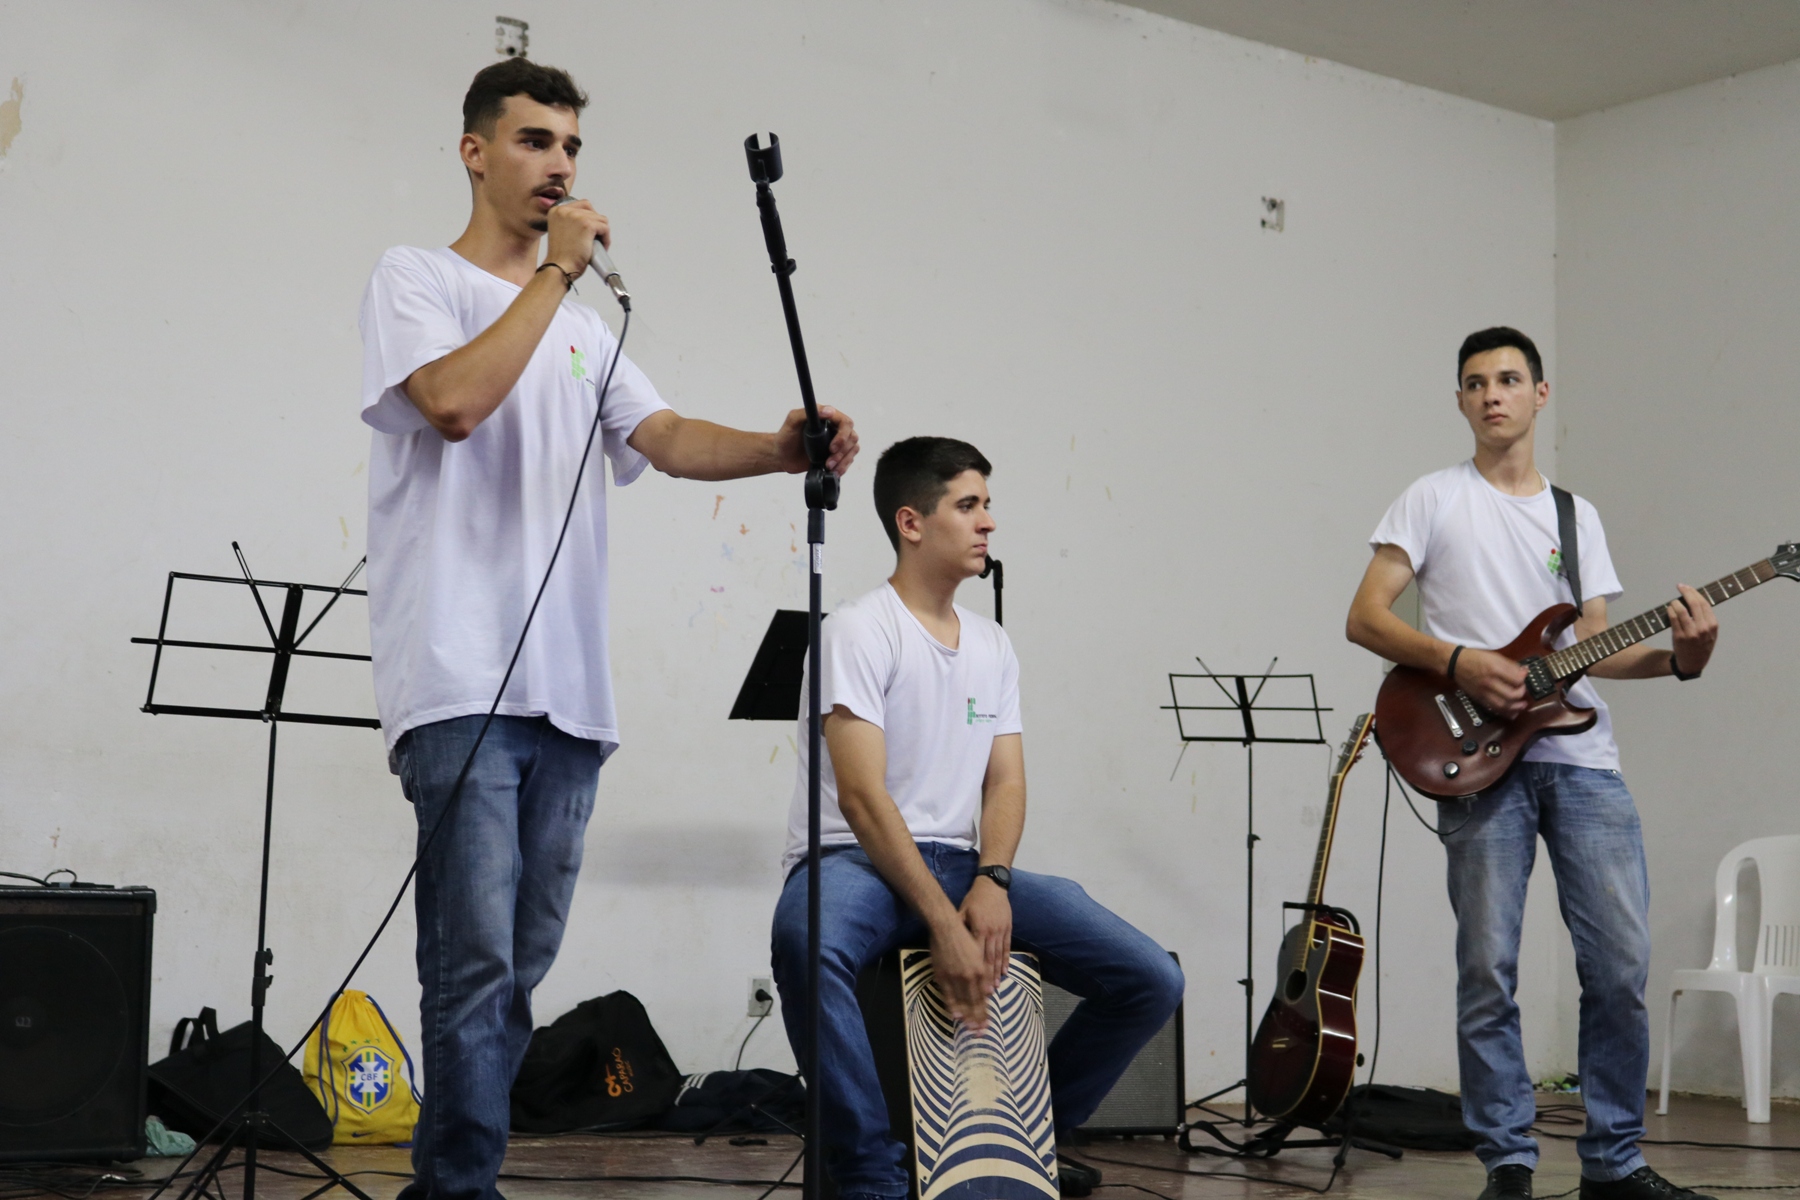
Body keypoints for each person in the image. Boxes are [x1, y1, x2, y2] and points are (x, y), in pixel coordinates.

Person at [358, 59, 859, 1200]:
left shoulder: (585, 333)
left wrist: (780, 448)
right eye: (535, 141)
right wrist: (555, 274)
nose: (560, 164)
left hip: (572, 697)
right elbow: (452, 404)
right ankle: (460, 1188)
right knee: (473, 963)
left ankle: (454, 1177)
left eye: (572, 146)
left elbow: (667, 436)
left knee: (516, 971)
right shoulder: (418, 278)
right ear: (475, 151)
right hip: (460, 682)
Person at [1345, 328, 1720, 1200]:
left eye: (1509, 379)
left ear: (1540, 395)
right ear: (1461, 400)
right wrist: (1460, 661)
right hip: (1476, 756)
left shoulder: (1574, 516)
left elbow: (1594, 646)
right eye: (1476, 383)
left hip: (1582, 760)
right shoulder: (1431, 499)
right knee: (1488, 970)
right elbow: (1365, 618)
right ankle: (1508, 1163)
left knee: (1620, 968)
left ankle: (1615, 1164)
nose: (1493, 395)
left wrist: (1683, 659)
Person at [769, 437, 1185, 1200]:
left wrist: (993, 879)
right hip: (854, 860)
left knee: (1149, 977)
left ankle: (1030, 1139)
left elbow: (1007, 780)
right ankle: (870, 1174)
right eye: (968, 505)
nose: (988, 522)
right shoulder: (857, 629)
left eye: (987, 505)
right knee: (805, 942)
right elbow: (861, 799)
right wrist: (944, 921)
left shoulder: (992, 643)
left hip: (962, 861)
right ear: (912, 523)